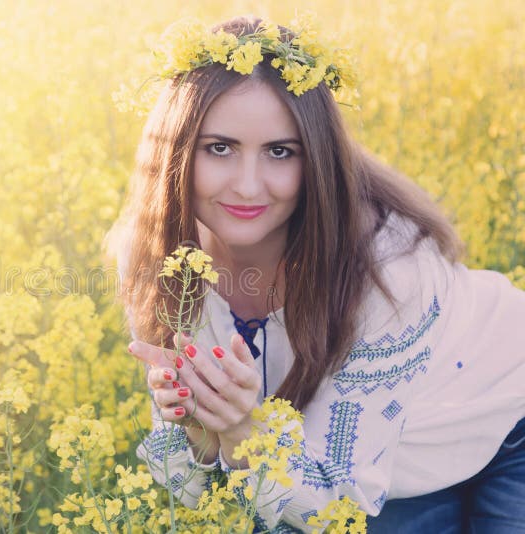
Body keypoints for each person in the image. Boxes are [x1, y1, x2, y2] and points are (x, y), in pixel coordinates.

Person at [104, 14, 525, 533]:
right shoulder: (157, 257)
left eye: (280, 152)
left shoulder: (390, 274)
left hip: (502, 420)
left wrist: (242, 431)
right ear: (176, 152)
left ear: (317, 161)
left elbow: (337, 507)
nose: (248, 186)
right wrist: (203, 431)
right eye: (219, 148)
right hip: (370, 468)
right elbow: (190, 494)